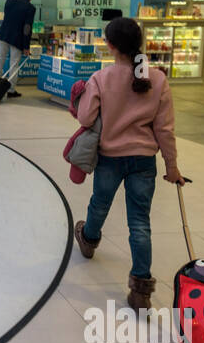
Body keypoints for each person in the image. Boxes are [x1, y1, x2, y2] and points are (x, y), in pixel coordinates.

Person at [73, 17, 185, 311]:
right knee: (139, 221)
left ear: (110, 46)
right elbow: (165, 129)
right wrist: (171, 166)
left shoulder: (101, 78)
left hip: (110, 157)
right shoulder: (158, 79)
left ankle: (89, 238)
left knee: (100, 203)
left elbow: (85, 119)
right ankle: (141, 289)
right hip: (144, 161)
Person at [0, 0, 35, 98]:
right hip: (17, 39)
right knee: (14, 65)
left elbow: (8, 17)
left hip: (3, 35)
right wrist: (26, 46)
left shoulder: (10, 0)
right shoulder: (30, 7)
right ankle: (11, 90)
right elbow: (27, 28)